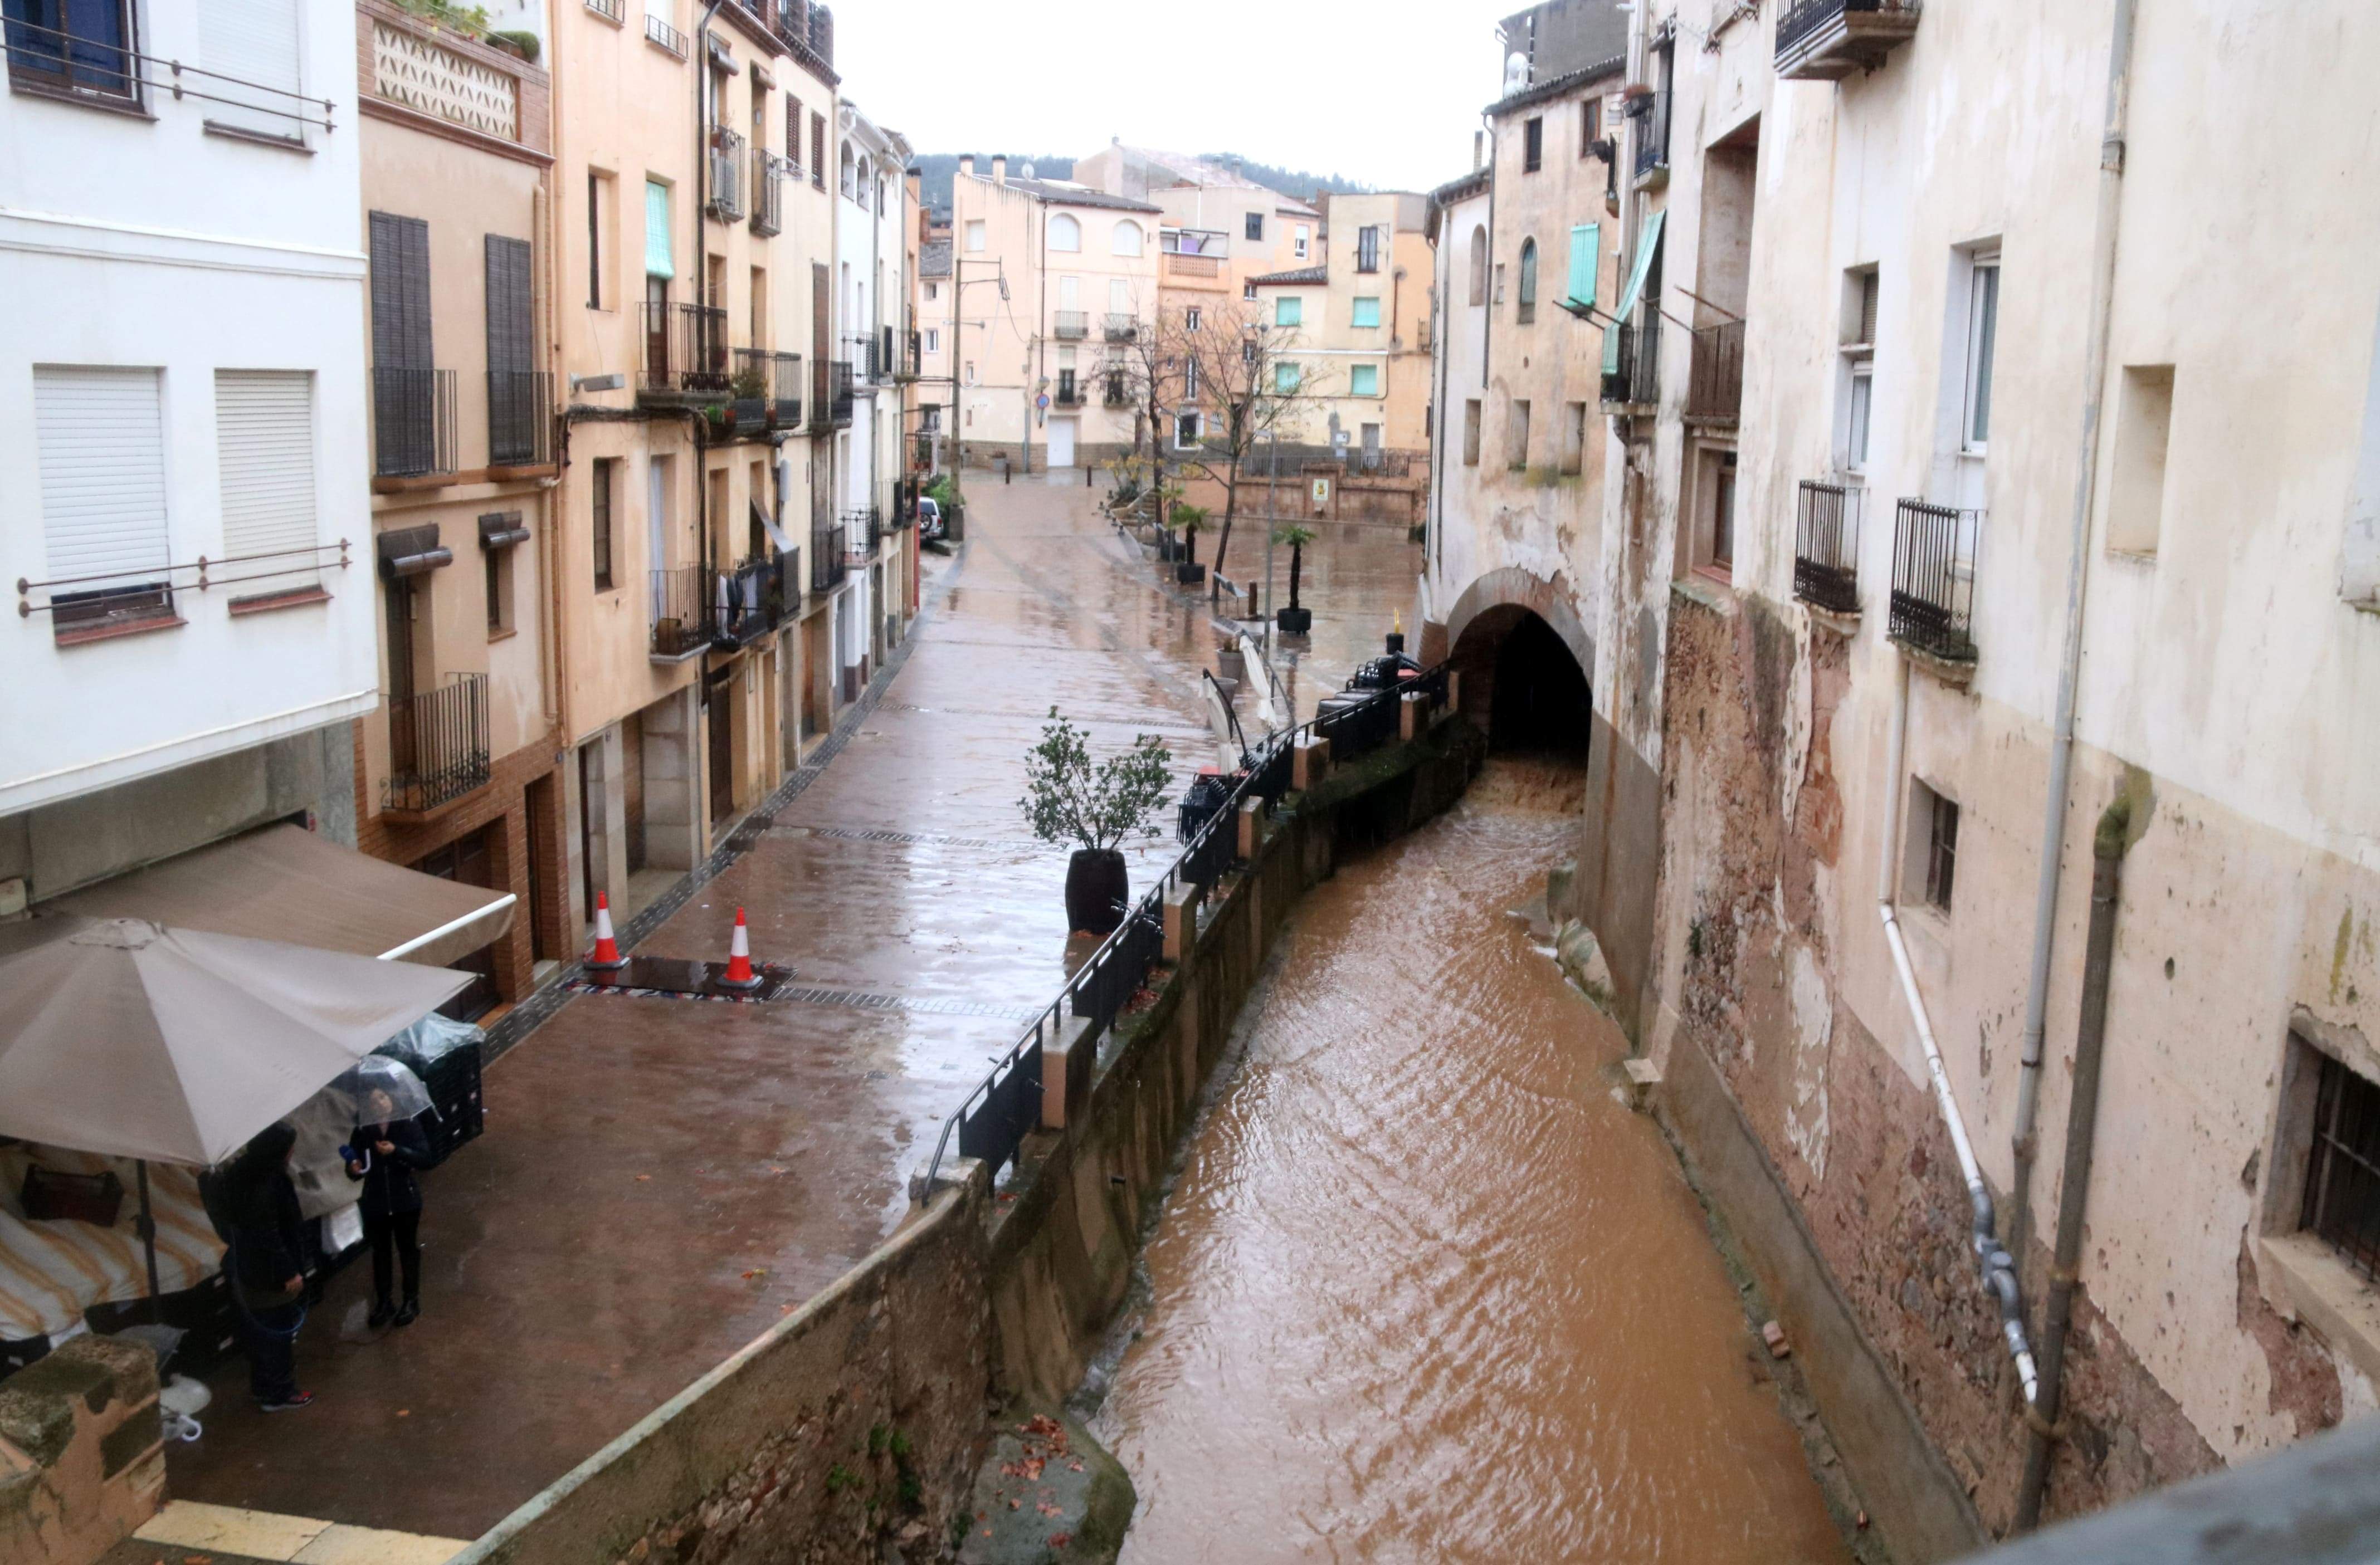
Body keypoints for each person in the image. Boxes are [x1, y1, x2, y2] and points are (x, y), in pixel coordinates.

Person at [218, 1122, 313, 1412]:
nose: (292, 1152)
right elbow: (268, 1235)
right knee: (278, 1334)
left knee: (259, 1334)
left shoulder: (240, 1172)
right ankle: (281, 1393)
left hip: (247, 1269)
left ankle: (263, 1388)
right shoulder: (268, 1182)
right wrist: (290, 1271)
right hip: (270, 1274)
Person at [345, 1085, 430, 1328]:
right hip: (376, 1202)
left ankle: (411, 1300)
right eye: (374, 1101)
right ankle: (384, 1301)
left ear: (390, 1098)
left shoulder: (407, 1124)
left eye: (382, 1097)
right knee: (380, 1253)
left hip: (405, 1200)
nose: (380, 1103)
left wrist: (396, 1151)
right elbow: (355, 1166)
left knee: (407, 1250)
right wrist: (354, 1168)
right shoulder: (363, 1131)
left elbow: (425, 1158)